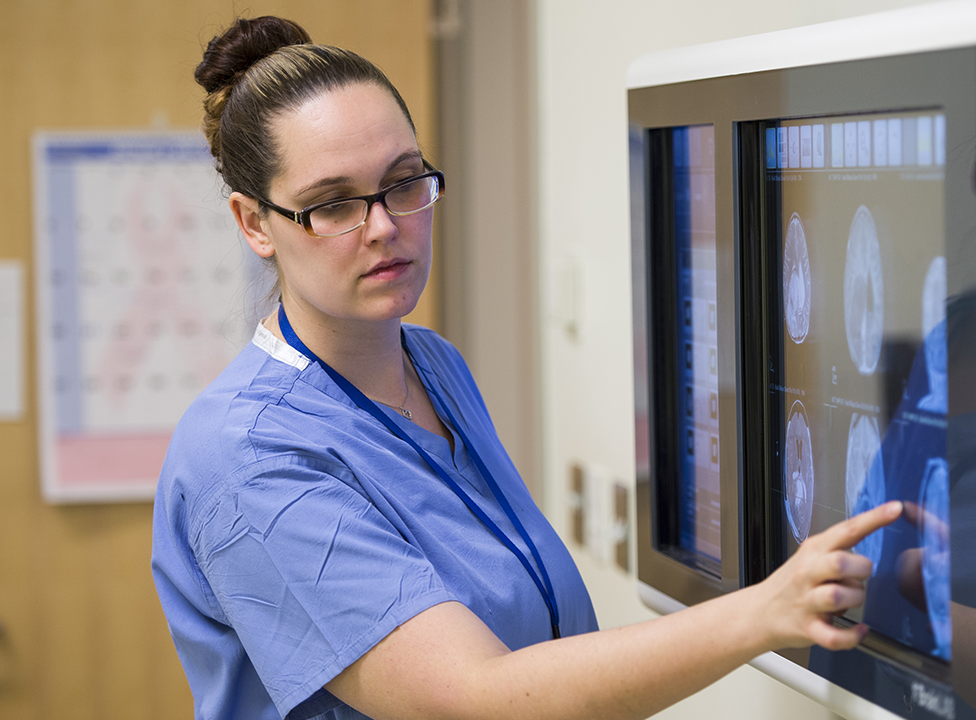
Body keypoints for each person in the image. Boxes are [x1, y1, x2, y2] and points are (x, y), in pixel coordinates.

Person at [151, 15, 903, 720]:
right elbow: (482, 699)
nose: (384, 228)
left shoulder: (432, 367)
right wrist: (762, 613)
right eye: (334, 204)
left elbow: (537, 640)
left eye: (405, 182)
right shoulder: (247, 460)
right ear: (255, 223)